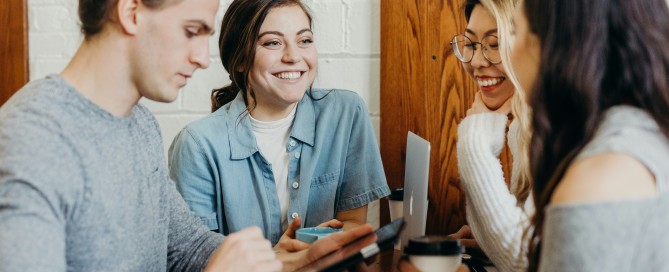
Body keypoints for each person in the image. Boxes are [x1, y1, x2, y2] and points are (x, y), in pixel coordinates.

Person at [0, 0, 374, 269]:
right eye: (191, 31)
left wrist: (278, 260)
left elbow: (188, 249)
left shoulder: (138, 125)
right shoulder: (31, 141)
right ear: (131, 12)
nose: (202, 58)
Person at [168, 0, 390, 248]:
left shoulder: (346, 113)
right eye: (272, 42)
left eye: (304, 40)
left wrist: (319, 247)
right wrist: (283, 259)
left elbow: (353, 223)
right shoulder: (197, 145)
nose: (294, 56)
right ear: (239, 60)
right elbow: (195, 255)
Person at [511, 0, 669, 270]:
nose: (509, 51)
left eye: (514, 30)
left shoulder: (597, 181)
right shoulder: (647, 133)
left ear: (551, 45)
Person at [450, 0, 533, 271]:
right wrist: (489, 238)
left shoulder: (560, 126)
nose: (475, 62)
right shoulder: (525, 126)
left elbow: (526, 261)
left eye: (494, 44)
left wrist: (475, 145)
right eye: (471, 44)